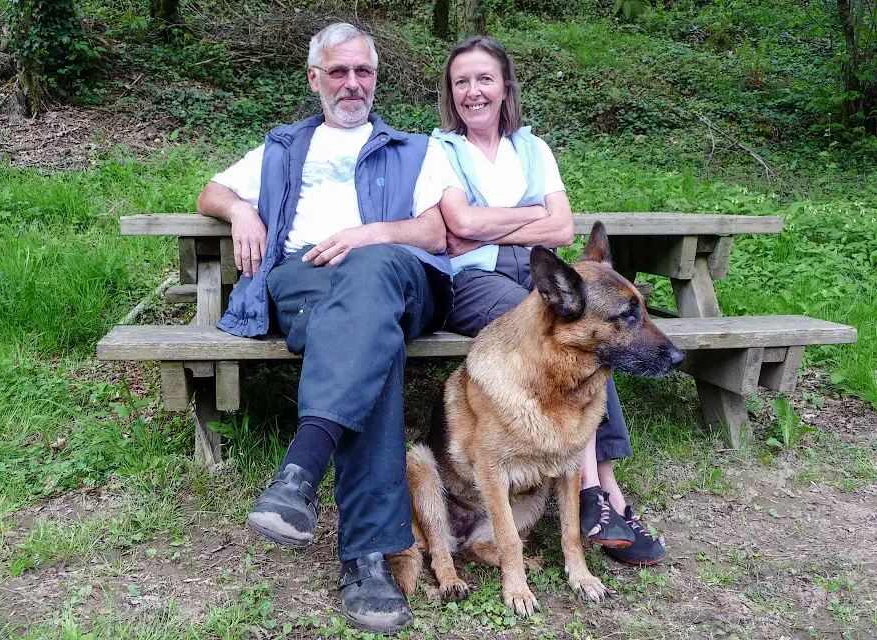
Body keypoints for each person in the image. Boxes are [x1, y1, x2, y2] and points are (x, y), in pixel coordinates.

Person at [196, 23, 454, 633]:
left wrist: (369, 236)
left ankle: (302, 470)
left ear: (375, 78)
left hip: (397, 275)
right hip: (305, 279)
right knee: (370, 342)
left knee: (369, 281)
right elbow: (211, 191)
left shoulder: (416, 149)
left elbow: (436, 232)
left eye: (363, 71)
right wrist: (241, 210)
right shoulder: (284, 147)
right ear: (314, 78)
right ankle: (366, 558)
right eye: (338, 71)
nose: (352, 83)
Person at [430, 35, 665, 565]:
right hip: (474, 279)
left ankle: (602, 487)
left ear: (505, 86)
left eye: (484, 79)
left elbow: (562, 229)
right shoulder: (440, 151)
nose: (473, 91)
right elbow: (459, 224)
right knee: (564, 331)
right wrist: (529, 217)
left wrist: (486, 226)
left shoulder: (533, 149)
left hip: (542, 273)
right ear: (451, 92)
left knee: (591, 331)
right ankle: (594, 495)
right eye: (461, 81)